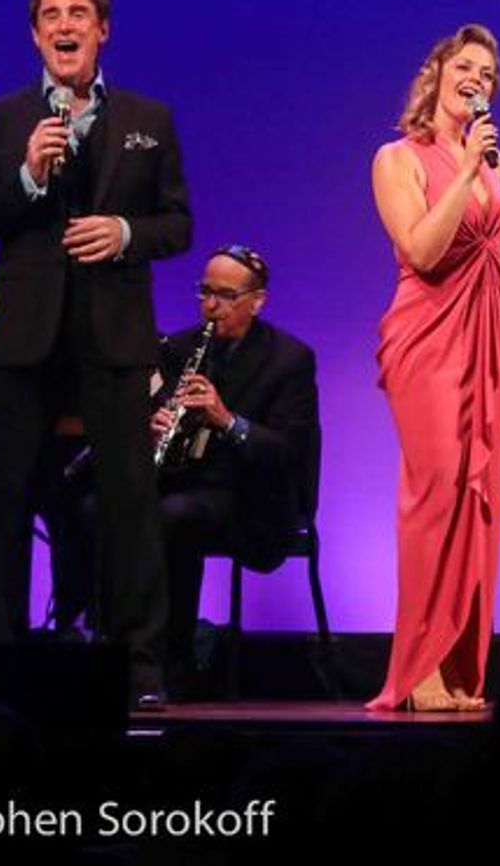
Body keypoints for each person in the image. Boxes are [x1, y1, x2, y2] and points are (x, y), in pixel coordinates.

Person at [0, 0, 191, 708]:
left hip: (114, 331)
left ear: (103, 30)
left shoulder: (149, 121)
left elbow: (178, 223)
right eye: (51, 16)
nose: (65, 26)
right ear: (35, 36)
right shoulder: (0, 120)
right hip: (26, 334)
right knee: (9, 497)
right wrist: (26, 174)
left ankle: (137, 664)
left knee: (128, 499)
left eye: (78, 14)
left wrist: (124, 230)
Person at [369, 24, 500, 710]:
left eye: (489, 74)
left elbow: (492, 256)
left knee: (478, 500)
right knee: (436, 495)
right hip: (427, 337)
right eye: (465, 67)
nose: (478, 79)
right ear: (435, 75)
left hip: (486, 335)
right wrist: (464, 167)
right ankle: (419, 670)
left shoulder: (493, 162)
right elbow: (423, 251)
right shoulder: (397, 157)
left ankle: (462, 667)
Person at [70, 245, 321, 696]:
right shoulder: (179, 348)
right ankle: (108, 640)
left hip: (251, 499)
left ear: (257, 301)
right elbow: (144, 414)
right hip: (182, 484)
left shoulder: (290, 360)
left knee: (174, 518)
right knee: (95, 507)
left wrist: (226, 420)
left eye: (225, 296)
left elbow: (289, 453)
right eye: (205, 292)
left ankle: (173, 658)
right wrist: (150, 426)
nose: (211, 305)